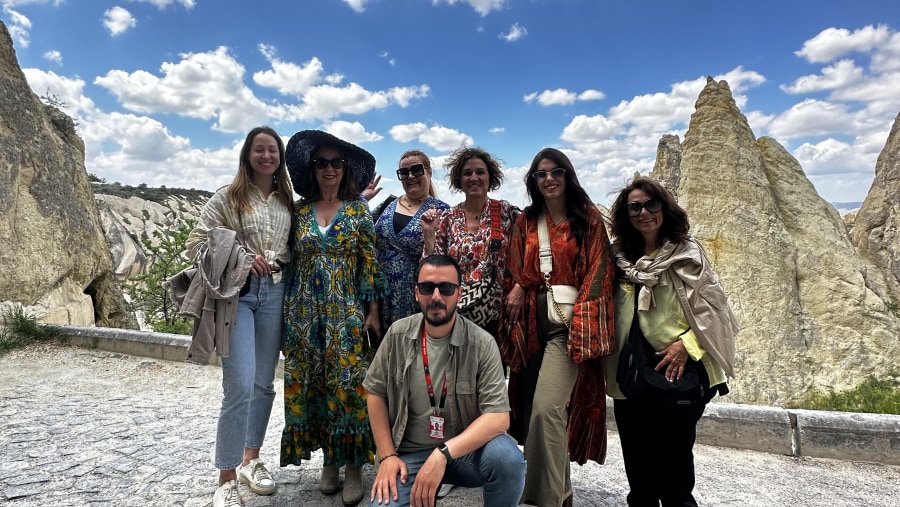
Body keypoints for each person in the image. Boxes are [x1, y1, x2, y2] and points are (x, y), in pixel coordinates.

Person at [604, 177, 739, 506]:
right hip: (630, 375)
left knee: (675, 466)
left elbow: (718, 313)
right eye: (634, 207)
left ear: (665, 209)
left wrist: (687, 346)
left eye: (651, 204)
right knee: (638, 465)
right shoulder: (617, 259)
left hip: (677, 372)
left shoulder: (687, 256)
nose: (644, 213)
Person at [498, 148, 616, 507]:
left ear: (568, 176)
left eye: (556, 172)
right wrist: (520, 283)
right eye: (541, 174)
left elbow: (600, 272)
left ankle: (542, 498)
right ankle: (560, 494)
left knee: (546, 410)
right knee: (540, 414)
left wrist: (582, 321)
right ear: (533, 181)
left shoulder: (589, 219)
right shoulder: (526, 221)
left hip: (569, 328)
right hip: (531, 330)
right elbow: (514, 269)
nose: (549, 179)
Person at [184, 126, 293, 507]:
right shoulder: (228, 198)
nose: (266, 156)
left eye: (272, 150)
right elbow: (197, 243)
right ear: (247, 155)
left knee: (264, 384)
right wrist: (244, 260)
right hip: (240, 297)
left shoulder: (286, 200)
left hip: (277, 292)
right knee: (241, 385)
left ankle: (251, 458)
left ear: (280, 157)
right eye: (259, 150)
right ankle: (226, 476)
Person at [364, 255, 526, 507]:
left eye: (446, 288)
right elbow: (374, 392)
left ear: (459, 294)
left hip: (465, 454)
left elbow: (498, 417)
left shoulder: (482, 344)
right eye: (428, 288)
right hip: (410, 455)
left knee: (507, 458)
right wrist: (387, 456)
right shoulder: (397, 334)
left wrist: (442, 454)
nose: (436, 296)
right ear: (417, 293)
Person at [282, 130, 389, 506]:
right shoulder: (297, 212)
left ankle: (355, 465)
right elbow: (287, 261)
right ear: (313, 168)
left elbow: (369, 265)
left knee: (349, 385)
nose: (330, 169)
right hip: (303, 312)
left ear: (346, 169)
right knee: (315, 384)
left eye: (337, 163)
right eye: (322, 162)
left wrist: (373, 312)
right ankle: (331, 459)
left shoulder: (358, 211)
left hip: (346, 311)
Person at [421, 147, 519, 339]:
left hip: (499, 316)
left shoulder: (507, 213)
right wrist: (428, 233)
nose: (474, 177)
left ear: (491, 177)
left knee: (493, 368)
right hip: (458, 315)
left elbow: (529, 250)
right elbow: (434, 266)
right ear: (459, 180)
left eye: (480, 172)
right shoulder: (448, 218)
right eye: (467, 173)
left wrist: (520, 287)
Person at [374, 150, 450, 333]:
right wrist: (362, 198)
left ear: (429, 172)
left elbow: (443, 264)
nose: (410, 176)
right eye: (403, 172)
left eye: (416, 170)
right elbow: (360, 230)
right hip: (379, 298)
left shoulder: (443, 212)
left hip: (414, 301)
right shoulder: (388, 204)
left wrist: (429, 235)